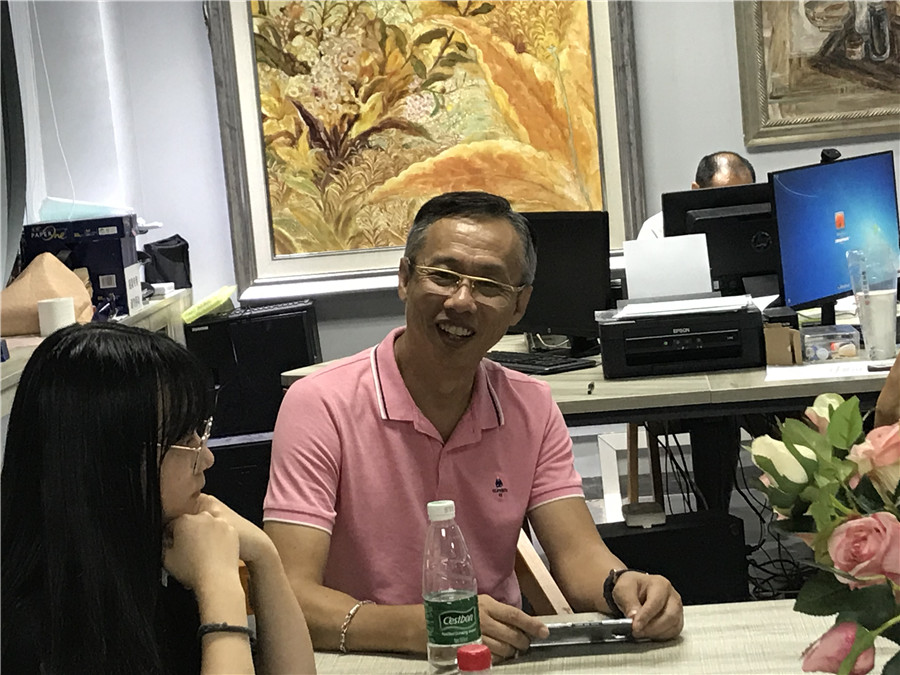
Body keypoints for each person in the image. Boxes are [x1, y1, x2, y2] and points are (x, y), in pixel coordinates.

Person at [264, 191, 684, 661]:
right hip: (366, 660)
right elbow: (288, 596)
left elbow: (577, 555)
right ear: (404, 278)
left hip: (493, 660)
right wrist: (435, 624)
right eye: (443, 276)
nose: (462, 301)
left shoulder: (530, 406)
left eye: (489, 285)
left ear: (519, 304)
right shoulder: (320, 405)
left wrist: (624, 586)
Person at [1, 322, 316, 675]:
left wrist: (264, 557)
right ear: (108, 462)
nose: (206, 458)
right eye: (184, 439)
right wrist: (219, 587)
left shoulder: (154, 564)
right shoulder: (31, 635)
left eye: (200, 432)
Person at [637, 150, 756, 240]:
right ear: (696, 190)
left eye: (743, 196)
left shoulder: (762, 222)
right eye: (724, 198)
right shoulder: (656, 230)